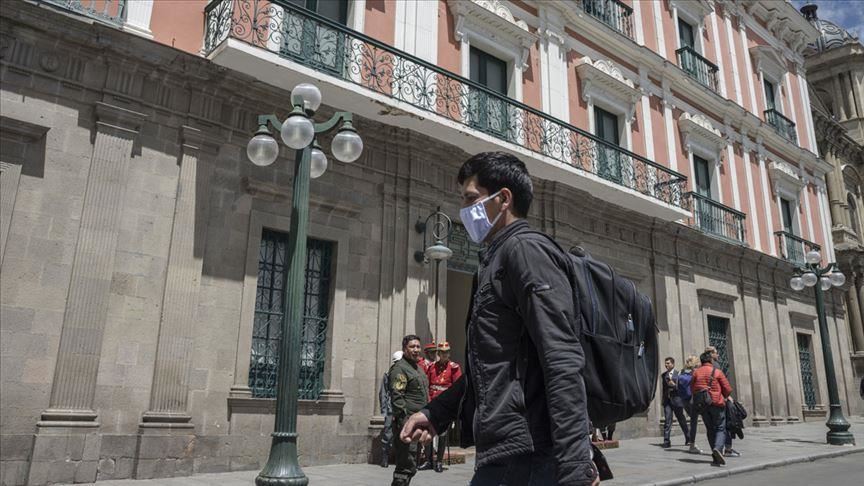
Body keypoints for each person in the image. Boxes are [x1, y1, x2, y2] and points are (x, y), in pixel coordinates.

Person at [398, 152, 599, 485]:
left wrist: (576, 465)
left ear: (503, 199)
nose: (464, 210)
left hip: (530, 454)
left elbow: (563, 358)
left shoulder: (526, 251)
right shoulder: (495, 261)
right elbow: (490, 368)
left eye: (471, 198)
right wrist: (436, 413)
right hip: (507, 452)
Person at [390, 335, 430, 486]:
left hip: (419, 423)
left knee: (412, 464)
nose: (416, 350)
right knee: (405, 466)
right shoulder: (400, 369)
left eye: (418, 346)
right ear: (404, 349)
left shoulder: (417, 368)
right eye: (412, 347)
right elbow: (397, 398)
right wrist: (405, 423)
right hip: (408, 423)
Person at [423, 341, 462, 473]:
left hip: (445, 404)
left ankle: (439, 461)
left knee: (442, 433)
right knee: (428, 430)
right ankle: (428, 461)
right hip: (432, 402)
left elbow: (457, 388)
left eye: (447, 352)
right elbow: (427, 384)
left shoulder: (454, 367)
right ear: (438, 353)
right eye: (442, 352)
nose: (445, 354)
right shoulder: (431, 367)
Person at [691, 351, 733, 467]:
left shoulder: (696, 372)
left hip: (703, 406)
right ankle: (717, 448)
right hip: (717, 403)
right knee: (720, 428)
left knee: (710, 429)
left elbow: (692, 388)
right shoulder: (717, 371)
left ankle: (715, 457)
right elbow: (727, 389)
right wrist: (723, 395)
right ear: (710, 360)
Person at [705, 345, 739, 458]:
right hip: (719, 399)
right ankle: (725, 448)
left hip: (706, 401)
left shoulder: (701, 368)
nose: (718, 355)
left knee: (712, 428)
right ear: (711, 354)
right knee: (724, 425)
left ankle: (717, 449)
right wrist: (727, 396)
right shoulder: (715, 366)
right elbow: (724, 385)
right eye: (716, 352)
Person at [379, 351, 404, 468]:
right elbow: (383, 393)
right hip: (391, 408)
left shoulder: (406, 374)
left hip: (403, 407)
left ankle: (400, 458)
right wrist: (384, 410)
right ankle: (385, 457)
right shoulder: (388, 374)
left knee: (402, 433)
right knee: (387, 433)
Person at [661, 357, 690, 448]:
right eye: (665, 363)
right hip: (667, 401)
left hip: (677, 400)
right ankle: (666, 441)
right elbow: (664, 389)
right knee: (667, 420)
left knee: (681, 420)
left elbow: (682, 388)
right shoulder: (663, 375)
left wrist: (675, 386)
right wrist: (663, 400)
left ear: (673, 364)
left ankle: (688, 438)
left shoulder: (679, 374)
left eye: (668, 363)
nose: (666, 365)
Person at [678, 354, 701, 454]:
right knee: (694, 422)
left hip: (684, 400)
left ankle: (692, 443)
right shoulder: (695, 372)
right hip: (693, 399)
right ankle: (692, 445)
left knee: (692, 420)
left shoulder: (681, 371)